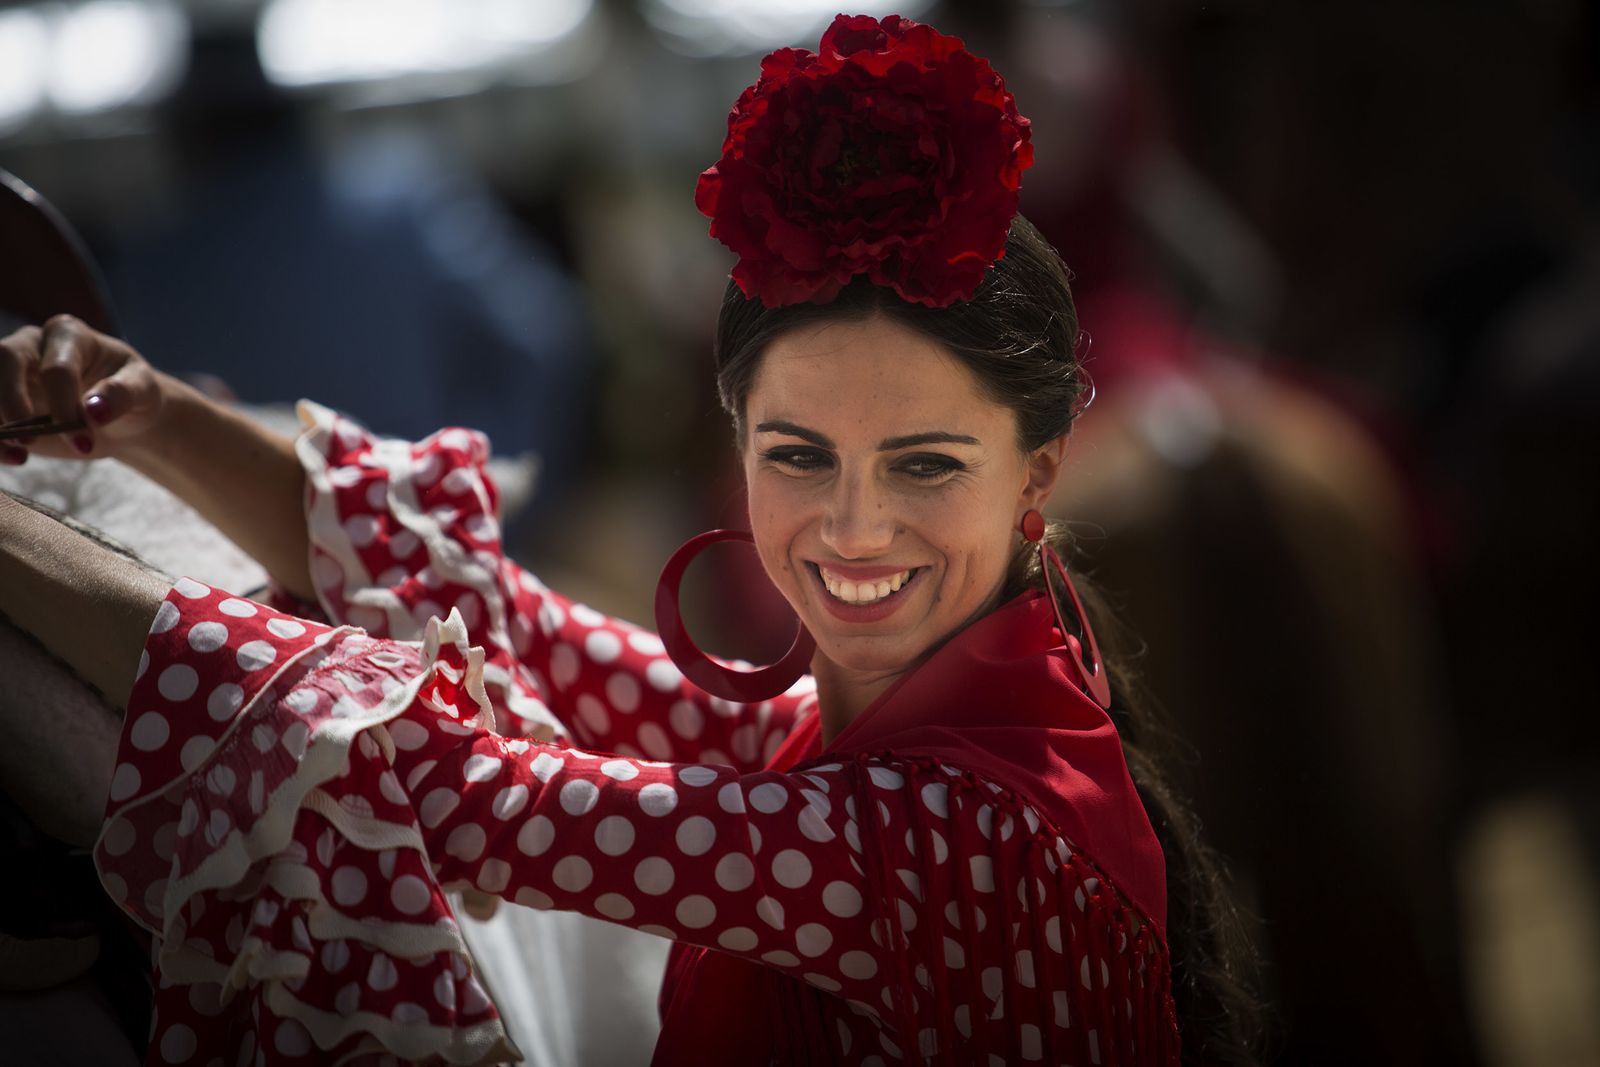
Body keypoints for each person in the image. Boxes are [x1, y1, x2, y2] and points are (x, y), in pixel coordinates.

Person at [0, 14, 1257, 1065]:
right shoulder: (880, 723)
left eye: (925, 462)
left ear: (1040, 472)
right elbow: (513, 615)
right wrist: (151, 413)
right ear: (734, 445)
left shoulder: (940, 833)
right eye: (797, 454)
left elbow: (452, 792)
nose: (855, 524)